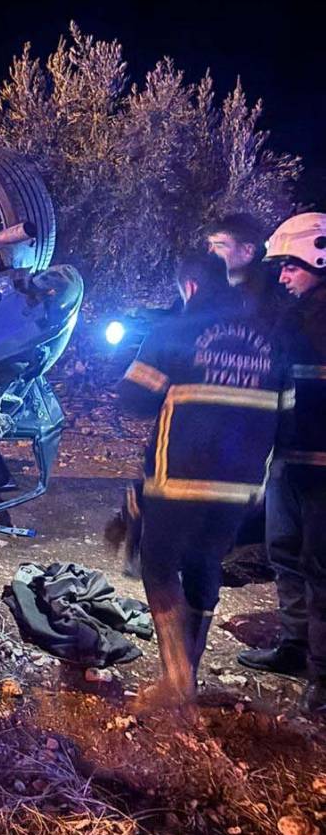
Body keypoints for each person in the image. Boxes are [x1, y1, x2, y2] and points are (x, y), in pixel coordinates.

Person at [118, 250, 288, 713]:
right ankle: (187, 673)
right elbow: (287, 407)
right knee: (205, 564)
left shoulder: (177, 328)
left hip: (180, 478)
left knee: (158, 566)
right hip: (242, 486)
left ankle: (176, 683)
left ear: (188, 287)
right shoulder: (268, 335)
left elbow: (133, 397)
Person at [237, 213, 326, 715]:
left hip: (322, 471)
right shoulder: (292, 319)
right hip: (291, 461)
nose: (284, 277)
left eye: (290, 267)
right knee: (286, 556)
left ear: (318, 257)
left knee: (321, 570)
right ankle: (294, 649)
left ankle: (324, 680)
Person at [204, 212, 286, 321]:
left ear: (247, 251)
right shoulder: (213, 303)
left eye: (219, 245)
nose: (210, 252)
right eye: (210, 245)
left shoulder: (279, 300)